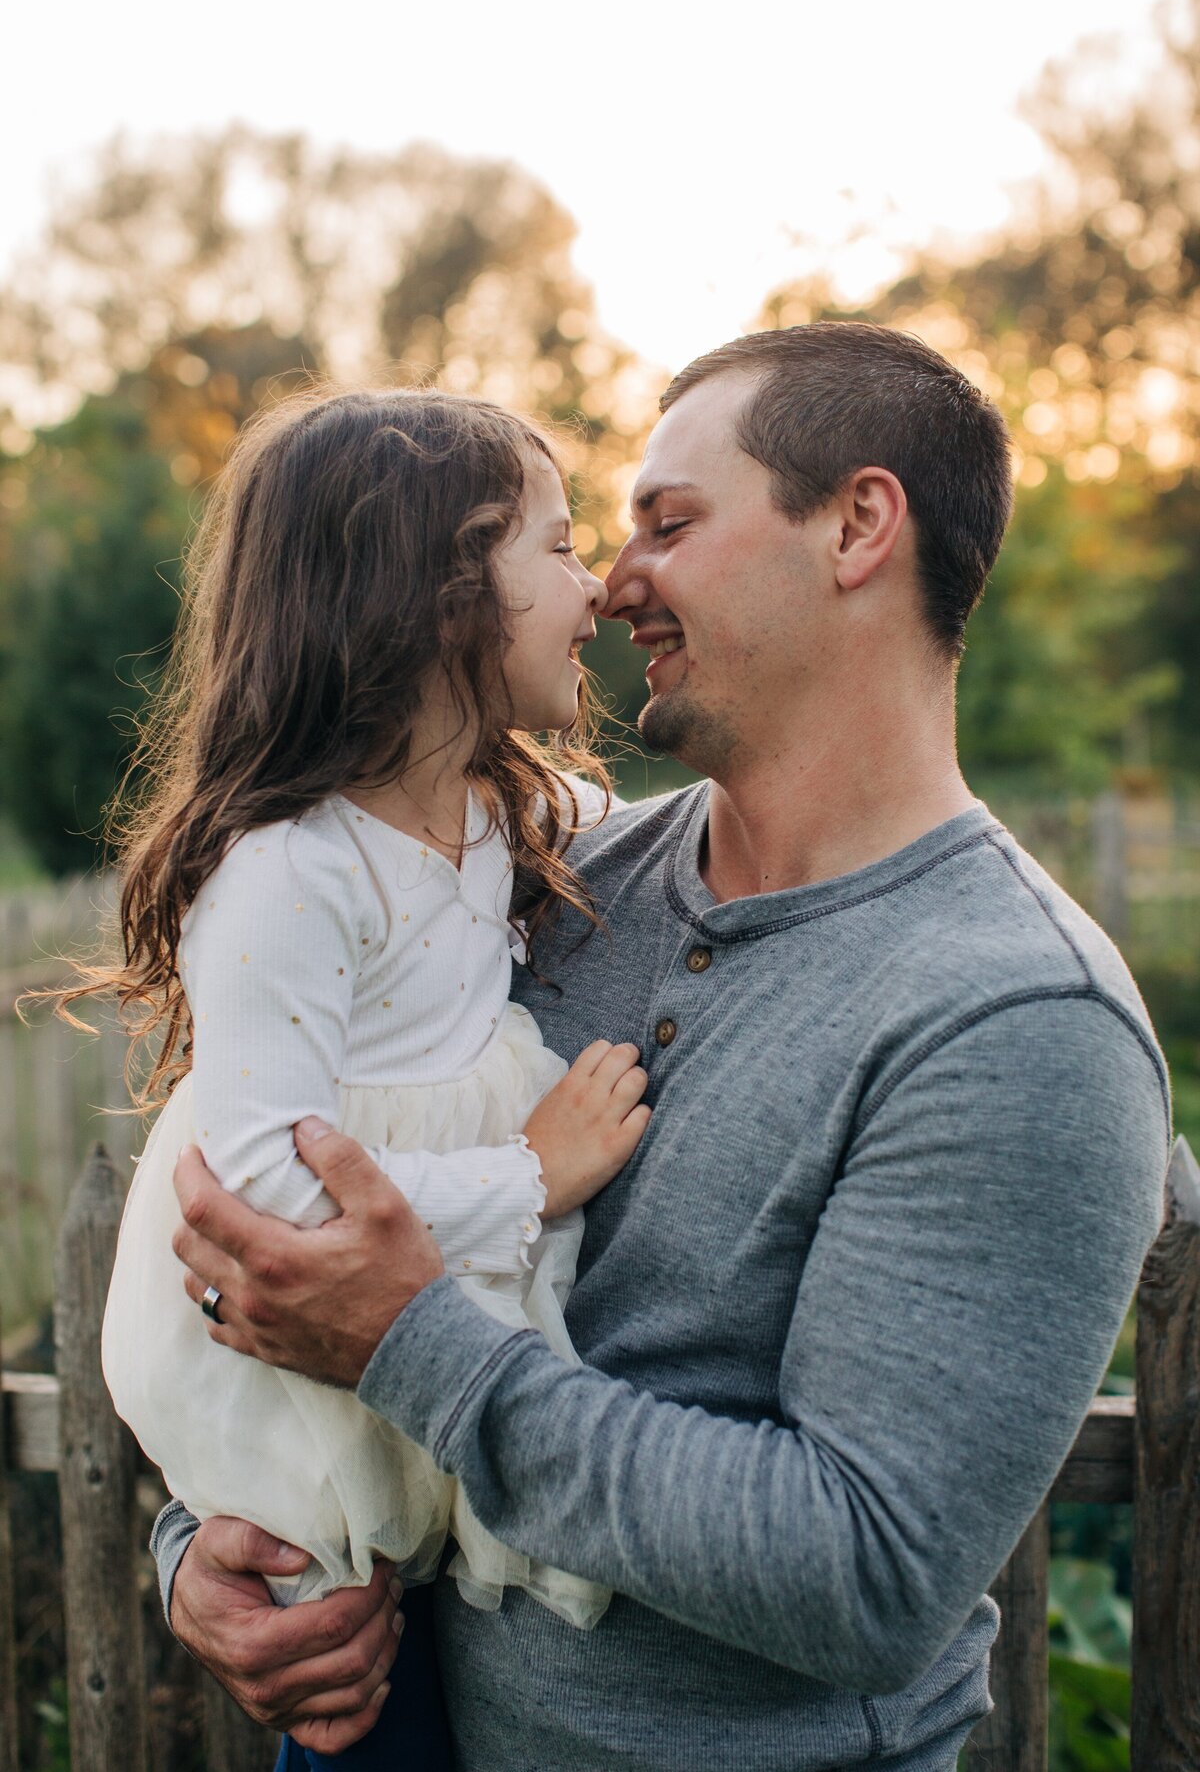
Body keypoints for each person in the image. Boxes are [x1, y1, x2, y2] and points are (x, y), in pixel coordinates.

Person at [156, 324, 1169, 1772]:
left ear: (859, 527)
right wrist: (207, 1550)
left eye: (668, 524)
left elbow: (868, 1572)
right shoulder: (540, 887)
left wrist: (408, 1344)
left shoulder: (1014, 1021)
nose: (615, 579)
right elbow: (274, 1217)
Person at [68, 387, 654, 1762]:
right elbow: (273, 1178)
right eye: (562, 550)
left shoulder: (507, 806)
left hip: (434, 1288)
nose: (602, 587)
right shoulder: (287, 868)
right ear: (443, 593)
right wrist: (526, 1176)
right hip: (316, 1340)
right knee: (348, 1668)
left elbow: (701, 824)